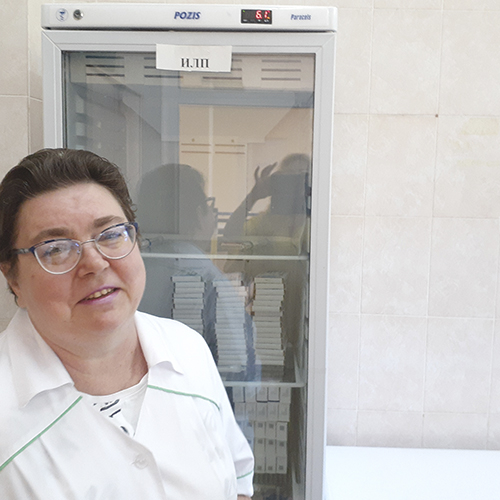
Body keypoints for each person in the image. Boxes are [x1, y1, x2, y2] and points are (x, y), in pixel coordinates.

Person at [0, 149, 254, 499]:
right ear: (13, 278)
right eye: (56, 248)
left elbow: (238, 483)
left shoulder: (187, 349)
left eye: (110, 234)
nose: (95, 263)